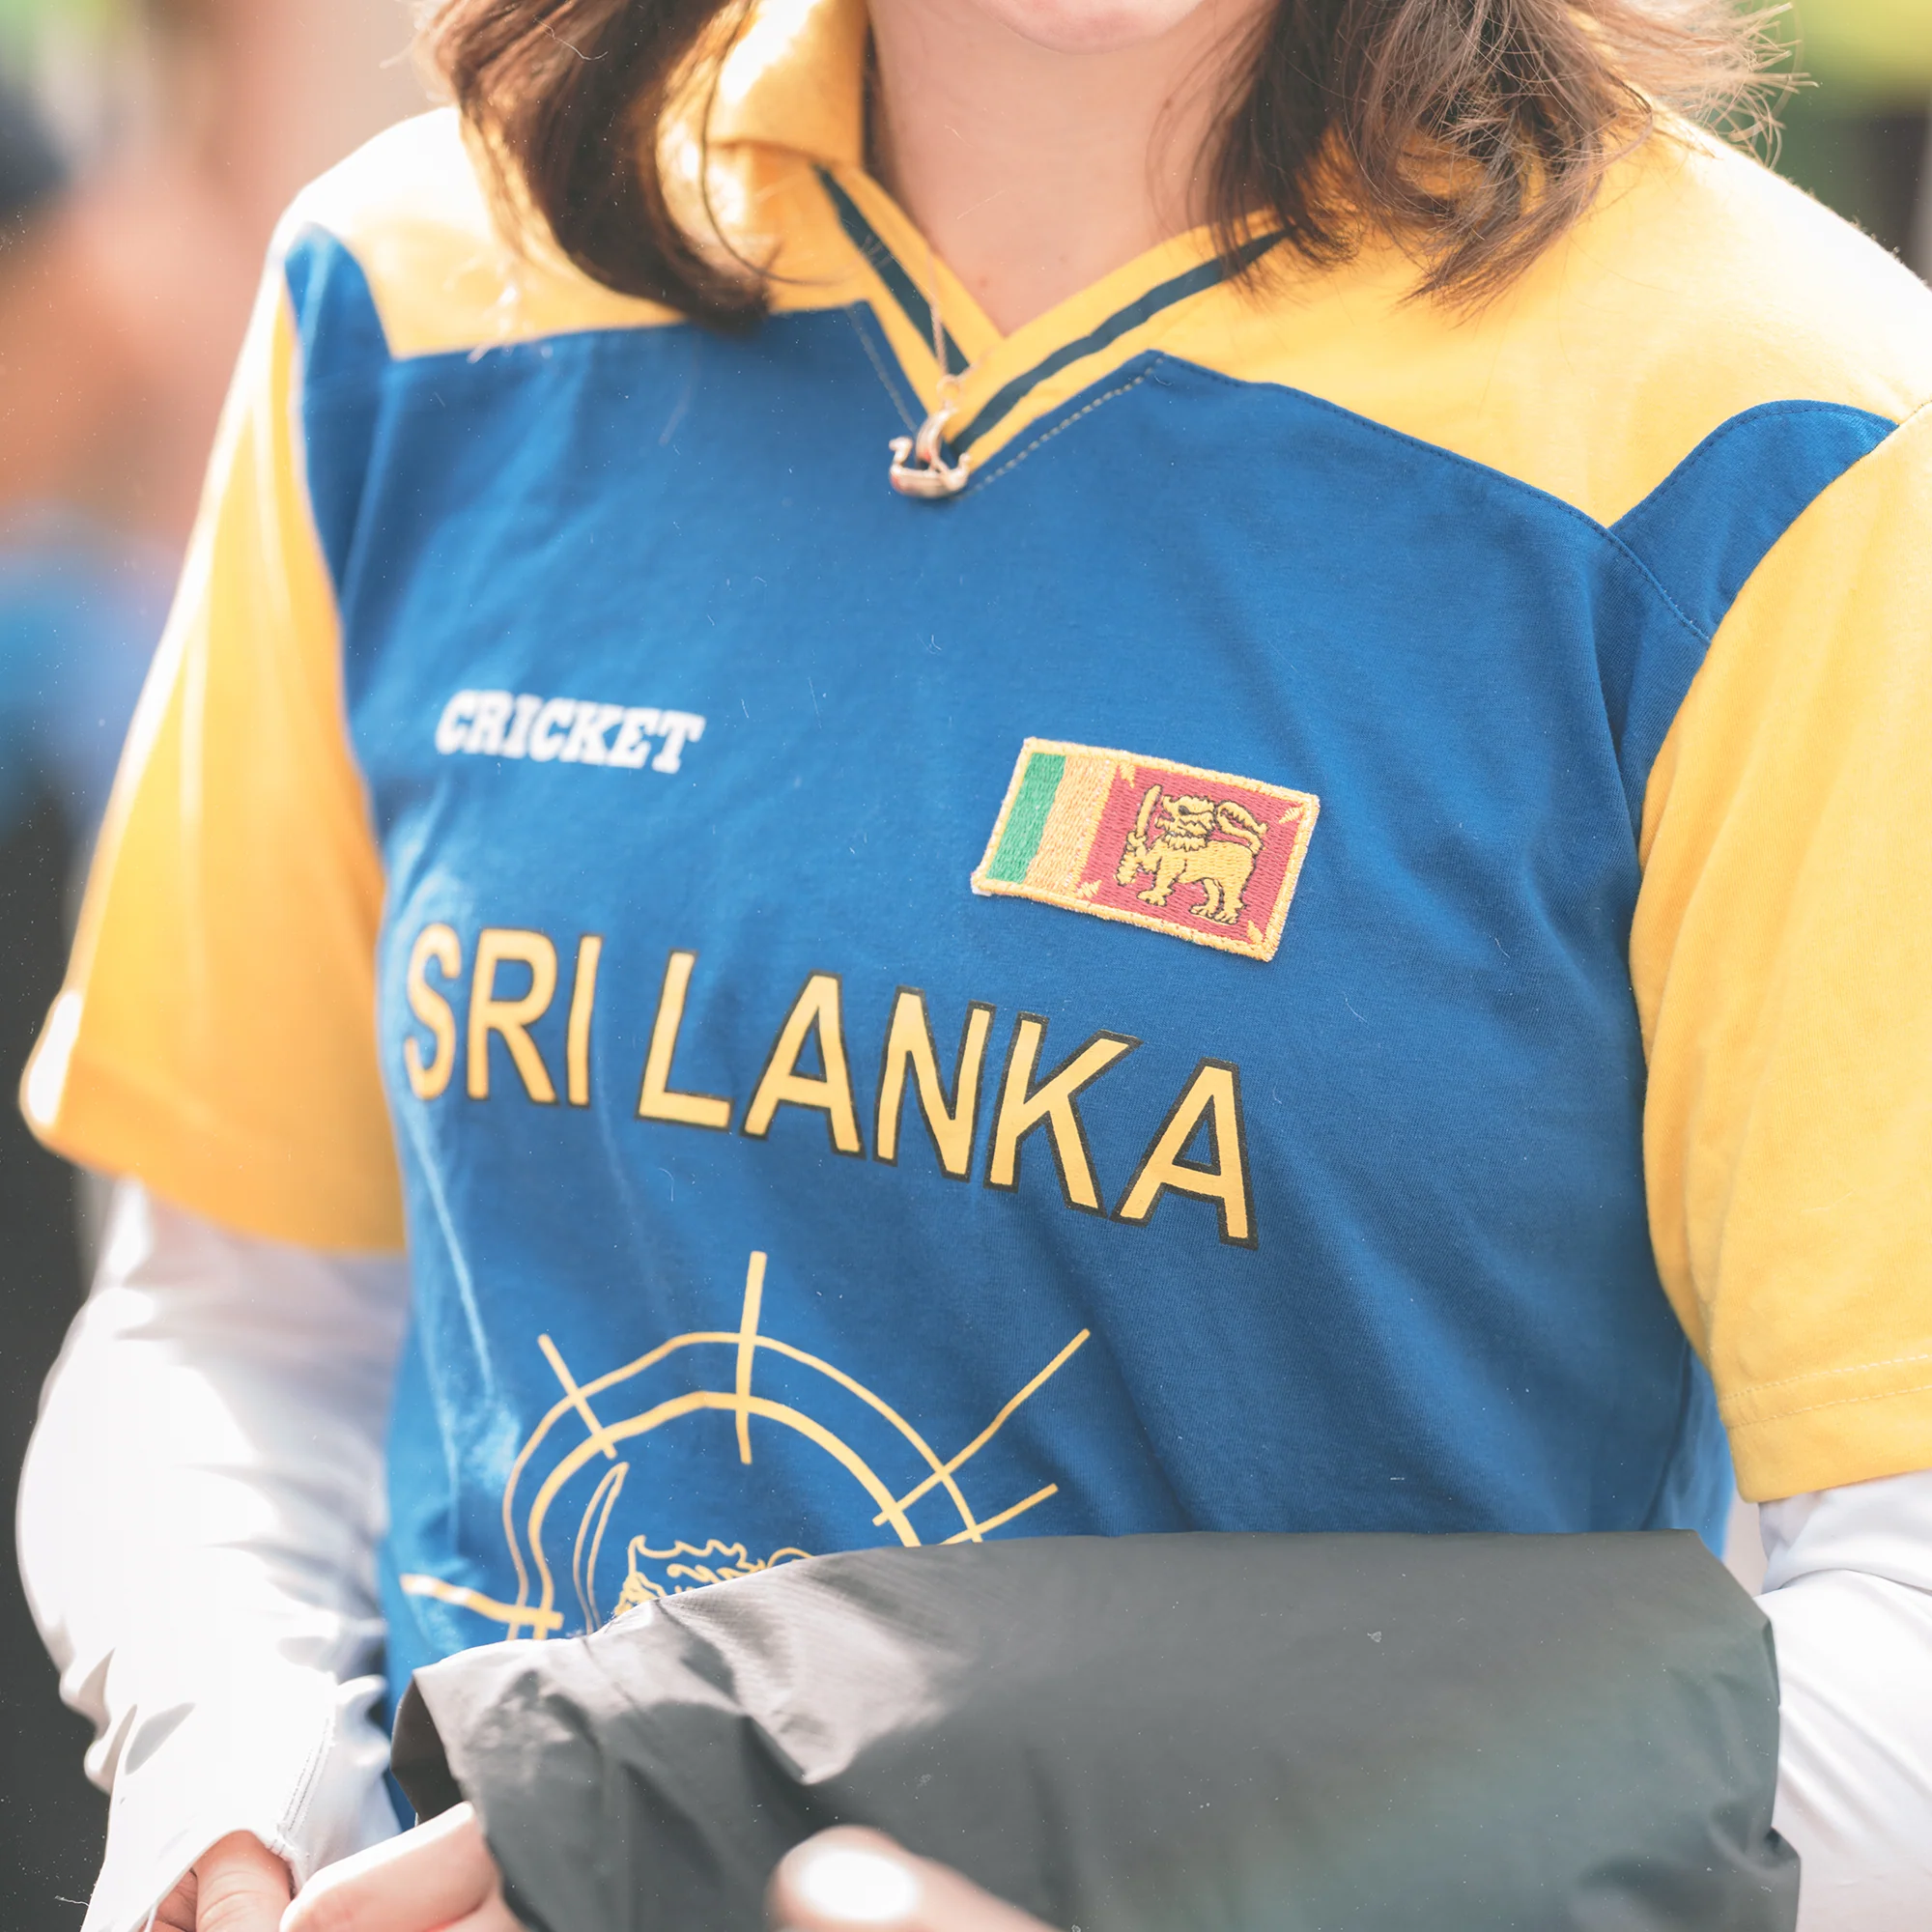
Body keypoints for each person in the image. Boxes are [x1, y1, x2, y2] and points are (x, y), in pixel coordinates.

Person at [14, 0, 1932, 1920]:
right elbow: (234, 1318)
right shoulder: (417, 289)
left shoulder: (1776, 433)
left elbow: (1897, 1620)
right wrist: (238, 1762)